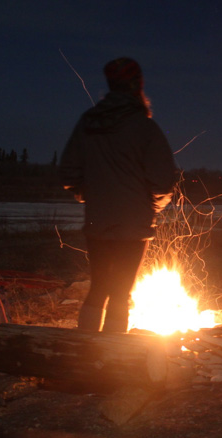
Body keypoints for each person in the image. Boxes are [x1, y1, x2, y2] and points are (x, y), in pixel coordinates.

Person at [60, 57, 178, 333]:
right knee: (121, 293)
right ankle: (111, 363)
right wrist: (150, 207)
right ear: (137, 85)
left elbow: (68, 172)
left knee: (98, 287)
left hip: (97, 221)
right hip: (133, 225)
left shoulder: (88, 122)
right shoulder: (145, 126)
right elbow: (163, 182)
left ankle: (85, 354)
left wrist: (89, 195)